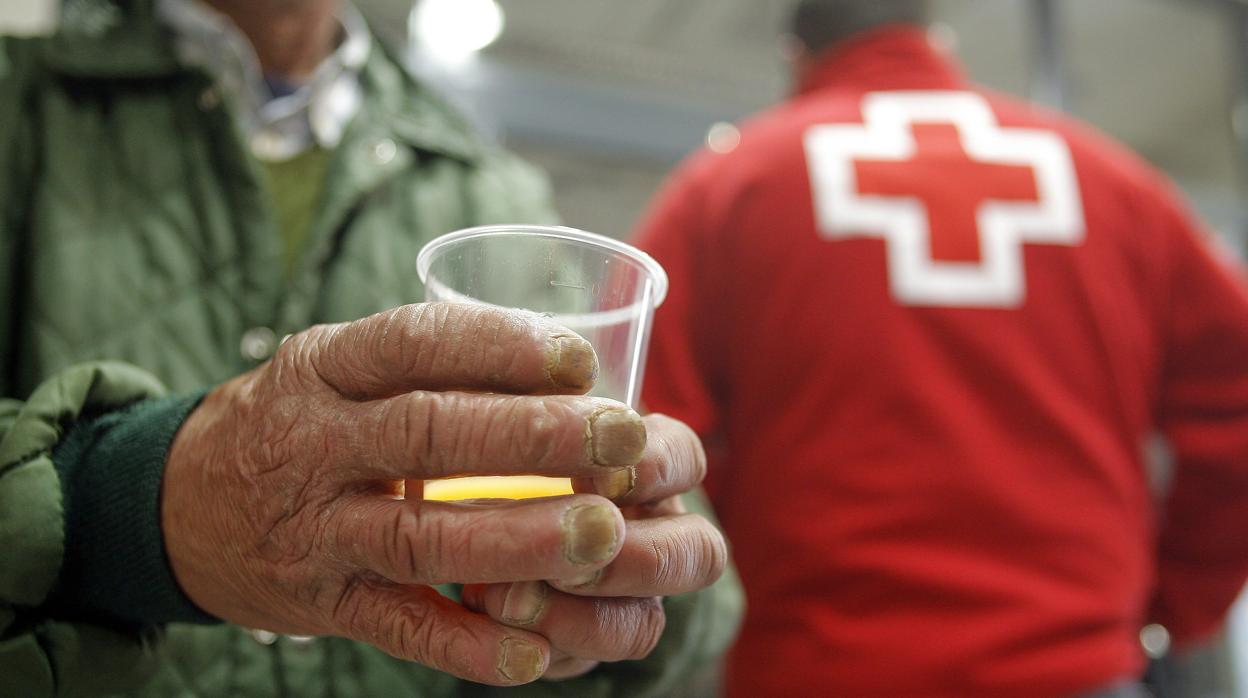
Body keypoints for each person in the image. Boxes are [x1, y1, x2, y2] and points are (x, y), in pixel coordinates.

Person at [0, 0, 743, 695]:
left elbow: (688, 598)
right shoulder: (23, 105)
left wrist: (617, 602)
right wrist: (141, 503)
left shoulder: (486, 189)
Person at [634, 0, 1248, 695]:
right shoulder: (1118, 188)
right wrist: (1171, 605)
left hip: (819, 668)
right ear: (935, 37)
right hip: (1076, 667)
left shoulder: (729, 187)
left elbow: (641, 435)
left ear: (796, 57)